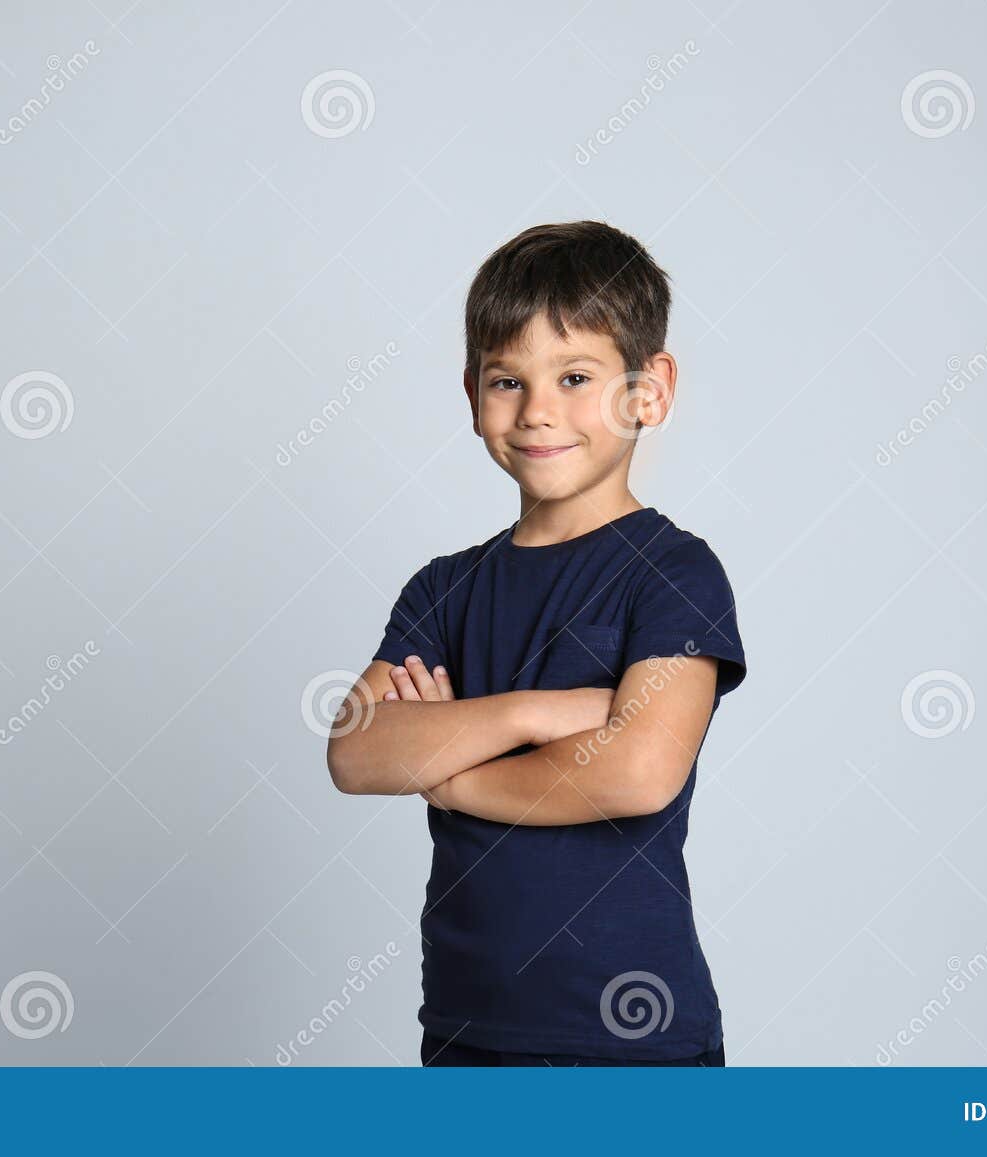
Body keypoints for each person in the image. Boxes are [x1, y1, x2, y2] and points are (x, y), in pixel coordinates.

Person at [326, 220, 747, 1067]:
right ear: (472, 391)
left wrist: (448, 775)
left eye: (577, 375)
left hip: (630, 1040)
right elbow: (357, 751)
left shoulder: (673, 573)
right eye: (508, 380)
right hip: (464, 1026)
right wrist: (544, 711)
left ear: (649, 390)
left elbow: (637, 770)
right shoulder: (443, 588)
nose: (538, 410)